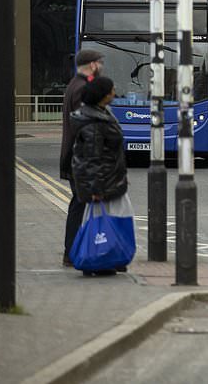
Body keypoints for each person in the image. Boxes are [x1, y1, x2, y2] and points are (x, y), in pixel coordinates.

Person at [70, 76, 130, 276]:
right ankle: (98, 259)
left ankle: (110, 257)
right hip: (103, 183)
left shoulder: (102, 114)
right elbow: (92, 157)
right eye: (112, 90)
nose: (115, 92)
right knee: (103, 223)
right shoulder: (93, 122)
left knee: (113, 220)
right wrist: (95, 189)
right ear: (103, 95)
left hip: (110, 179)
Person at [60, 48, 104, 268]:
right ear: (93, 64)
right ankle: (73, 252)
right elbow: (84, 126)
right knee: (80, 205)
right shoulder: (83, 88)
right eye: (100, 63)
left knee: (79, 204)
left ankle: (74, 251)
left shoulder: (74, 84)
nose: (102, 66)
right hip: (79, 158)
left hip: (75, 157)